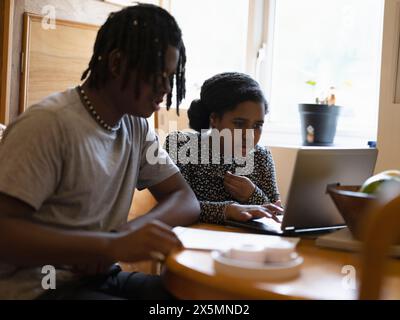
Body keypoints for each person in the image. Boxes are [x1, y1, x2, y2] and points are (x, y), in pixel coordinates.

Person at [0, 4, 200, 300]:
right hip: (37, 288)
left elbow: (185, 198)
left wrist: (121, 237)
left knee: (195, 296)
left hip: (101, 278)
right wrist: (107, 246)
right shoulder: (49, 124)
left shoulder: (136, 126)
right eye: (159, 75)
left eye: (172, 77)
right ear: (117, 63)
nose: (166, 90)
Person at [164, 72, 282, 225]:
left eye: (257, 126)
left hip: (247, 243)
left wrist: (252, 194)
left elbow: (276, 212)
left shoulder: (261, 156)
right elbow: (176, 206)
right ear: (214, 119)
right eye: (239, 124)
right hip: (194, 239)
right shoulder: (181, 145)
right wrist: (228, 210)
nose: (249, 135)